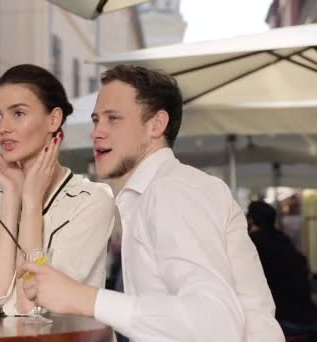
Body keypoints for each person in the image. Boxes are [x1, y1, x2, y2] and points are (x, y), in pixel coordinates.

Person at [19, 64, 284, 341]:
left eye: (113, 119)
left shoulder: (170, 191)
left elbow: (216, 324)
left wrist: (84, 298)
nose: (96, 132)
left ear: (156, 125)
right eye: (97, 120)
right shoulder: (155, 192)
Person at [0, 64, 116, 316]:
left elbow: (32, 306)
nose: (2, 128)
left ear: (53, 119)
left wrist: (31, 203)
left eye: (18, 113)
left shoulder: (92, 200)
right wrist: (11, 195)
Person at [248, 200, 317, 337]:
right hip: (307, 317)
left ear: (250, 220)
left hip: (282, 322)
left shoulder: (252, 243)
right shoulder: (284, 239)